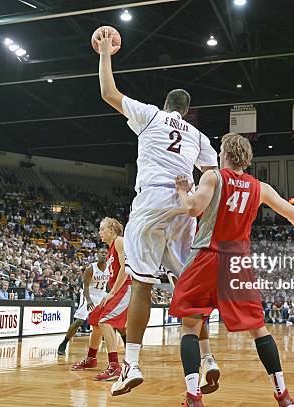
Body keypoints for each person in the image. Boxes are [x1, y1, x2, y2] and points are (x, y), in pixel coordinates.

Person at [93, 29, 219, 397]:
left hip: (150, 202)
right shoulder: (197, 135)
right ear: (187, 111)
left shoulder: (150, 116)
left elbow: (108, 93)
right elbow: (213, 174)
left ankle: (131, 364)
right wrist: (198, 200)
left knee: (143, 285)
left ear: (166, 104)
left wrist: (105, 53)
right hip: (184, 206)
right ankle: (208, 357)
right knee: (188, 289)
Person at [168, 133, 294, 407]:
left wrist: (183, 189)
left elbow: (193, 208)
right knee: (258, 329)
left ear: (226, 154)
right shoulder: (260, 188)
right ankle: (284, 397)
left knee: (190, 328)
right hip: (237, 262)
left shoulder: (214, 177)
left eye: (220, 150)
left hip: (207, 257)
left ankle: (193, 398)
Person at [71, 218, 130, 382]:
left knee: (105, 321)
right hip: (117, 290)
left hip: (126, 288)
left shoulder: (120, 241)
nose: (99, 232)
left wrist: (112, 293)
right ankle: (91, 358)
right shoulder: (111, 248)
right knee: (95, 319)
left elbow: (126, 269)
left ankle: (114, 367)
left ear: (111, 229)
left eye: (102, 229)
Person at [58, 248, 109, 356]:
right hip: (88, 294)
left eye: (105, 253)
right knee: (79, 321)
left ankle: (123, 342)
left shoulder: (109, 267)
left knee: (111, 318)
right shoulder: (91, 268)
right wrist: (89, 300)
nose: (103, 255)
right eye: (101, 253)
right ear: (97, 255)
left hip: (102, 294)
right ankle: (64, 343)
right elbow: (85, 286)